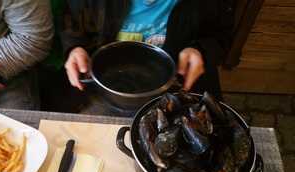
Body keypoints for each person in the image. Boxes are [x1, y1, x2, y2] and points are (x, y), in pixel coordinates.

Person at [61, 0, 235, 105]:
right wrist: (76, 47)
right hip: (104, 83)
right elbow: (74, 22)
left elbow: (221, 36)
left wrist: (201, 51)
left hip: (180, 83)